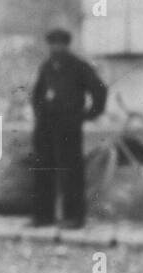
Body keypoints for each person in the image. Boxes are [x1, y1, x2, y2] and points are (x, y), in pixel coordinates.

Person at [29, 28, 107, 228]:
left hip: (68, 125)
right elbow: (37, 93)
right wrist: (39, 111)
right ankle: (43, 217)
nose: (56, 47)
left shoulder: (79, 66)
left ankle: (74, 218)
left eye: (60, 43)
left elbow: (99, 90)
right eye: (52, 43)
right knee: (43, 169)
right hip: (46, 125)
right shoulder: (46, 67)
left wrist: (89, 114)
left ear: (67, 45)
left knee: (71, 171)